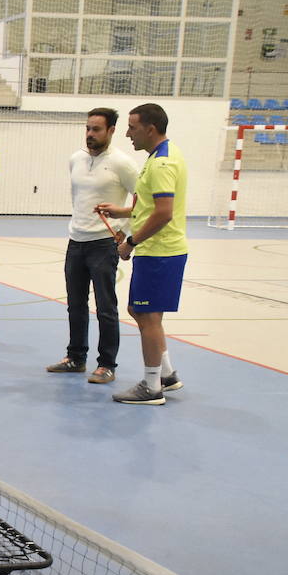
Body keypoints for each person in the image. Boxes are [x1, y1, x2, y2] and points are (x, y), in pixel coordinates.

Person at [98, 103, 188, 406]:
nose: (127, 133)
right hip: (158, 252)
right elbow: (149, 206)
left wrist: (131, 242)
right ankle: (167, 374)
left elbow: (163, 213)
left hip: (160, 253)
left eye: (132, 127)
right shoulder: (158, 157)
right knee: (141, 312)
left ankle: (151, 387)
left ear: (150, 129)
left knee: (148, 317)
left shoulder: (161, 165)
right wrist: (121, 211)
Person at [47, 107, 140, 384]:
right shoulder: (75, 159)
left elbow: (142, 201)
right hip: (76, 242)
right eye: (88, 128)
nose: (90, 134)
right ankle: (76, 357)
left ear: (111, 131)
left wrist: (124, 231)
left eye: (96, 129)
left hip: (103, 245)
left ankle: (107, 364)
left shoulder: (123, 164)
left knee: (105, 307)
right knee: (75, 304)